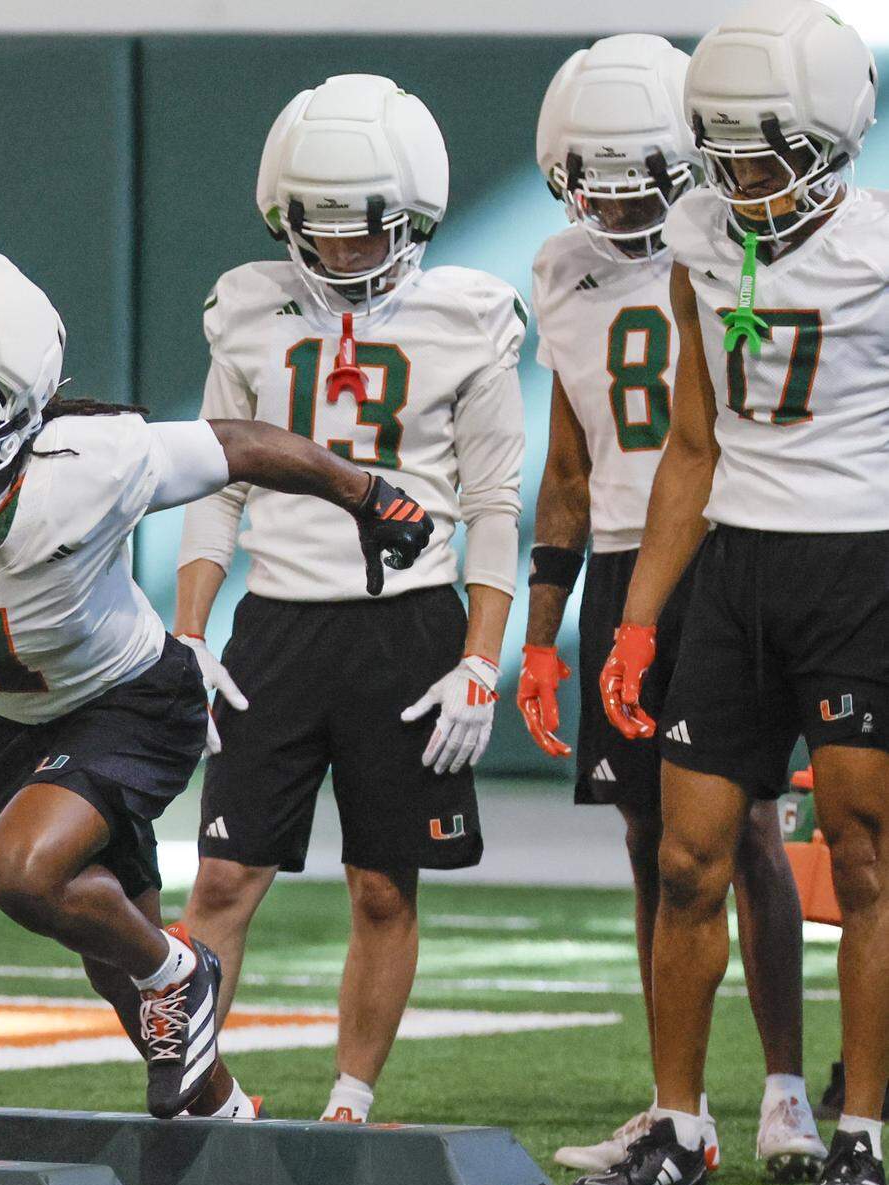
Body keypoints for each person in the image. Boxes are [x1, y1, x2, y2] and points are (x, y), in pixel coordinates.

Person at [0, 242, 433, 1123]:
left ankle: (185, 967)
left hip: (131, 699)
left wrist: (368, 496)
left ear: (20, 398)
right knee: (111, 959)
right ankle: (224, 1113)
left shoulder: (91, 459)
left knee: (25, 873)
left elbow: (241, 445)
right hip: (14, 723)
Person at [568, 0, 888, 1185]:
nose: (744, 180)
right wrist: (642, 618)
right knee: (687, 857)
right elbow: (692, 446)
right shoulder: (700, 232)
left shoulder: (880, 248)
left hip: (863, 566)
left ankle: (858, 1132)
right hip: (736, 574)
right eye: (730, 153)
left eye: (768, 156)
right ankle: (681, 1126)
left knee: (861, 858)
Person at [175, 73, 526, 1123]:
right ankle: (196, 1088)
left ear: (412, 216)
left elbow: (495, 503)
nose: (339, 250)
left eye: (362, 228)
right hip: (275, 623)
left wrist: (478, 658)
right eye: (316, 229)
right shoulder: (246, 304)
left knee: (381, 884)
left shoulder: (468, 315)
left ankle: (350, 1100)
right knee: (223, 884)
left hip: (407, 627)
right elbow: (212, 481)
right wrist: (188, 633)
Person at [519, 34, 823, 1180]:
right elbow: (567, 465)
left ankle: (787, 1093)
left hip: (730, 554)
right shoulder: (560, 269)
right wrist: (540, 636)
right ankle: (672, 1103)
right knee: (653, 842)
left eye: (640, 172)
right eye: (594, 174)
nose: (616, 197)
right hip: (615, 562)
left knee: (744, 831)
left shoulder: (736, 244)